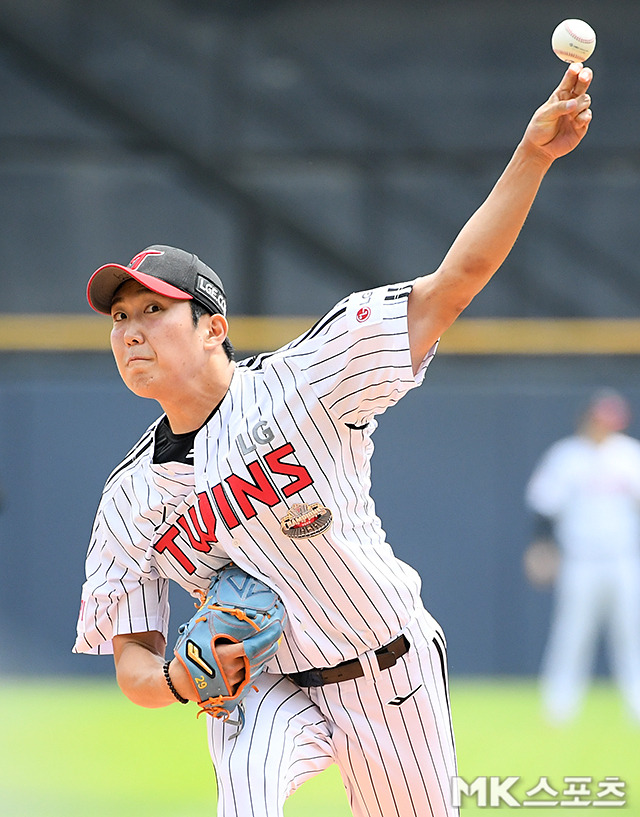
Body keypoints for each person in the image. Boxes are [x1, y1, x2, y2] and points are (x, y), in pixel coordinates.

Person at [74, 63, 593, 817]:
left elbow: (457, 280)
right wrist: (185, 680)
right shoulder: (128, 501)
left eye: (152, 310)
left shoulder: (305, 382)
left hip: (389, 671)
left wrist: (533, 155)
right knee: (244, 800)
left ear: (214, 326)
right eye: (119, 319)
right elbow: (134, 666)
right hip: (265, 688)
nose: (130, 331)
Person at [525, 389, 640, 726]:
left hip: (622, 559)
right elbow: (543, 507)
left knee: (631, 635)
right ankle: (559, 709)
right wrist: (542, 549)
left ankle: (636, 705)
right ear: (588, 419)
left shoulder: (629, 456)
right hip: (580, 560)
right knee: (572, 635)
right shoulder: (567, 457)